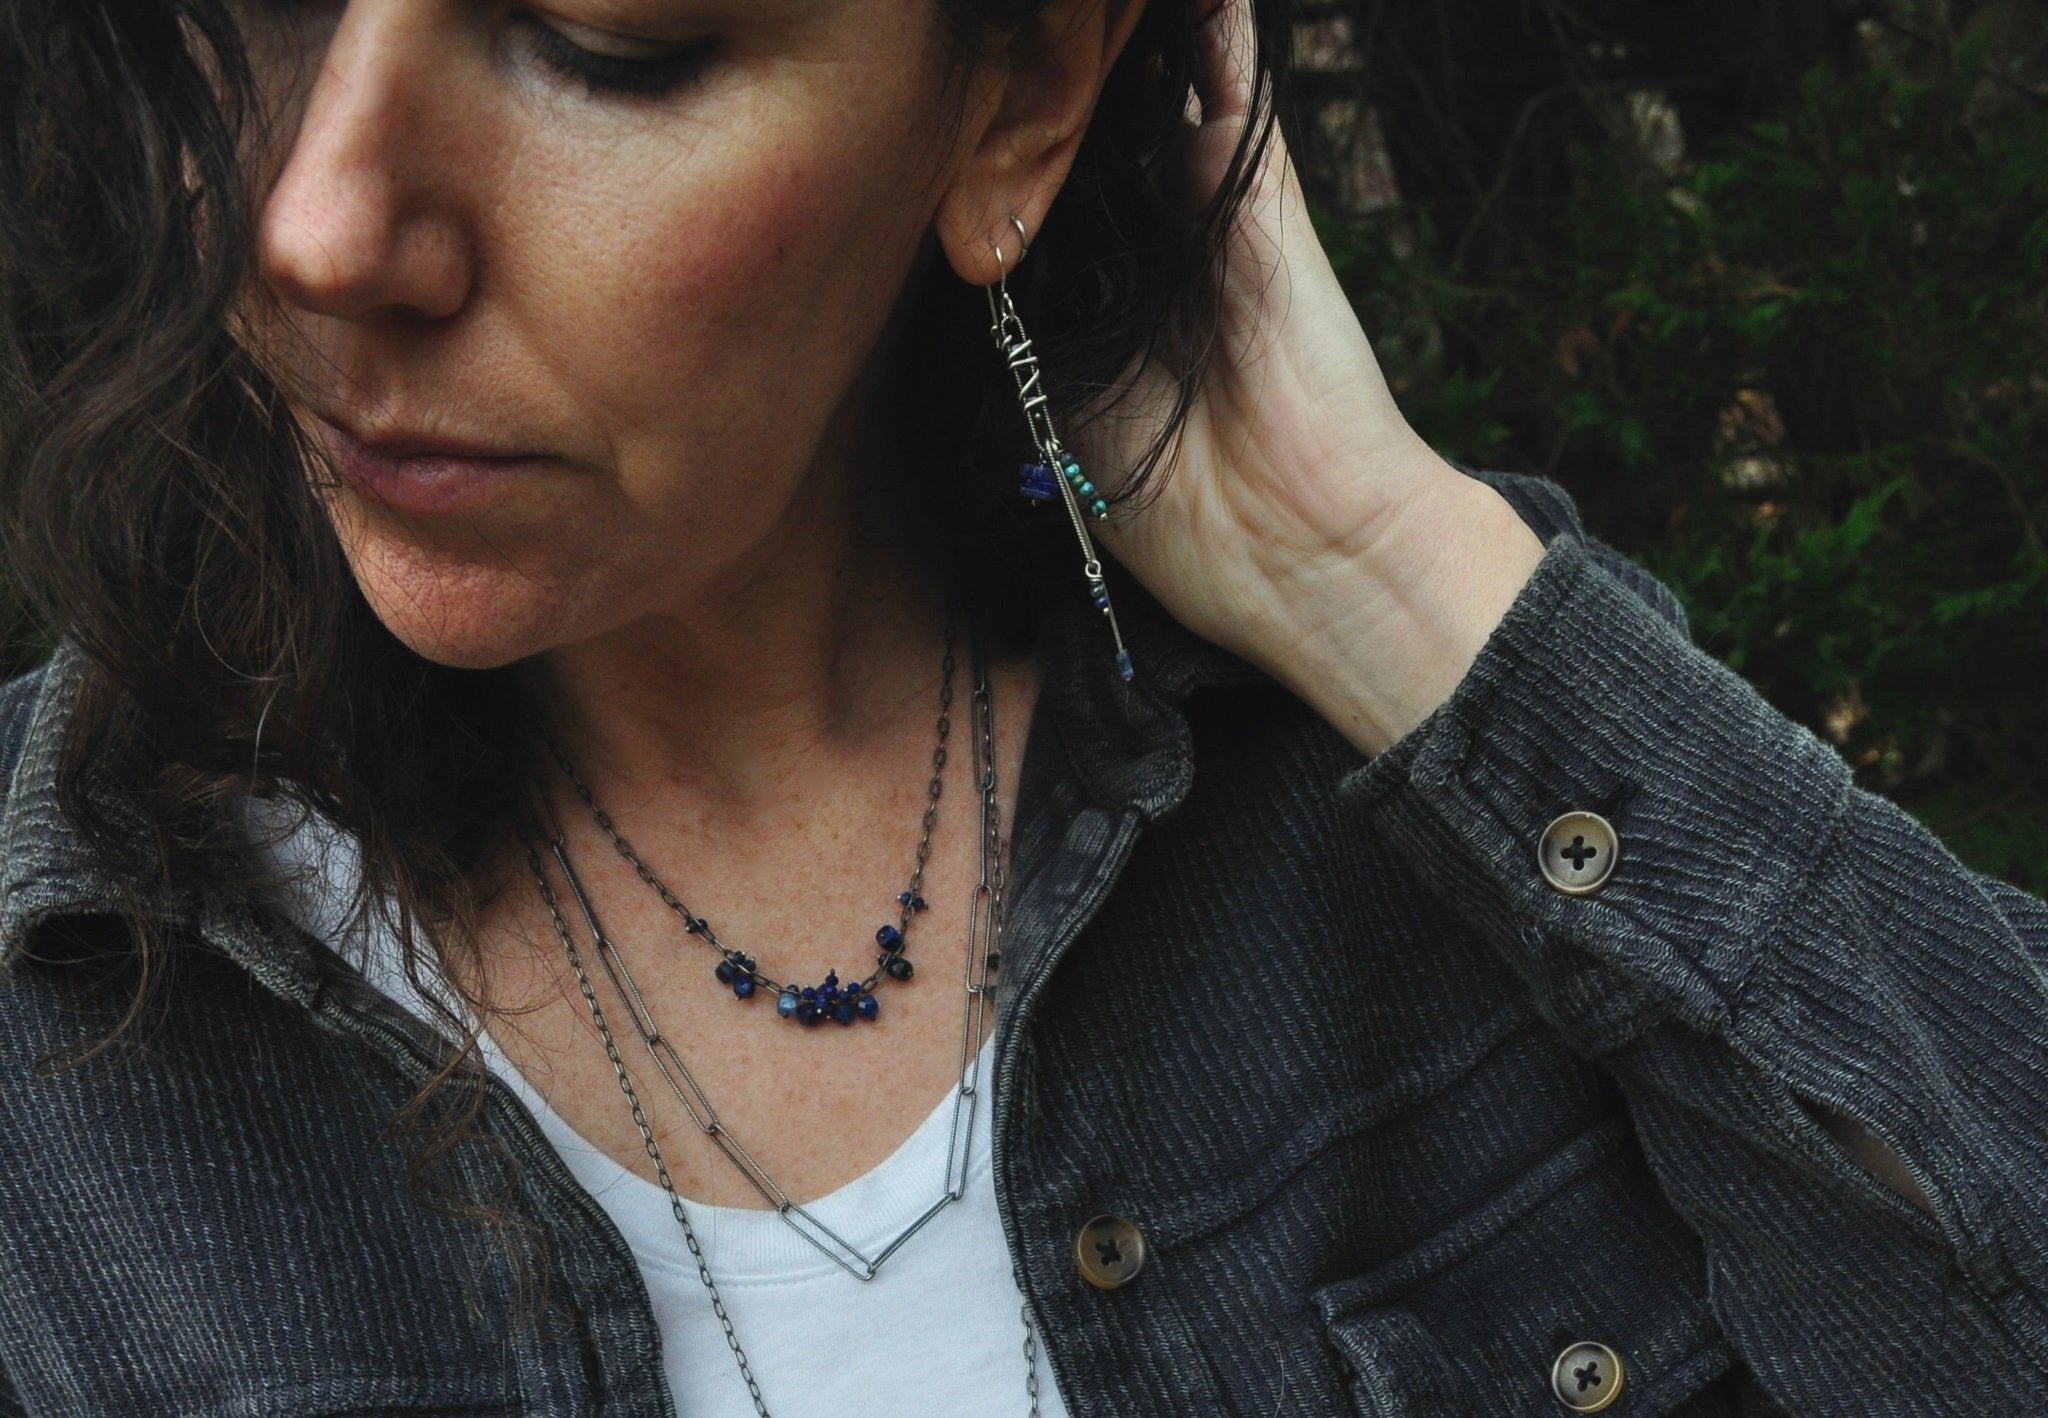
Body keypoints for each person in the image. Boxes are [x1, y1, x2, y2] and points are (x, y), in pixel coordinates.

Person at [0, 0, 2043, 1413]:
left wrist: (1381, 569)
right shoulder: (61, 1045)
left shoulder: (1431, 804)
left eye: (609, 45)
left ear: (1019, 100)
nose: (317, 232)